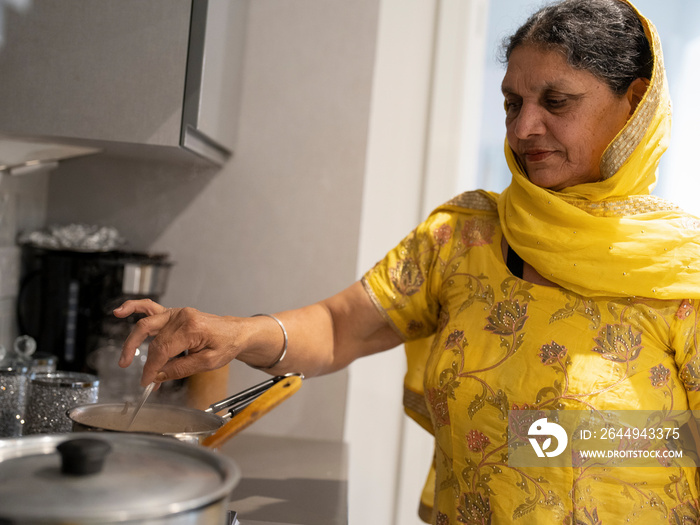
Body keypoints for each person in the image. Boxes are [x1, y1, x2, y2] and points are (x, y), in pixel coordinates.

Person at [115, 0, 700, 522]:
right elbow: (342, 327)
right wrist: (238, 334)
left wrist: (535, 439)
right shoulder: (465, 236)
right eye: (512, 102)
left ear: (633, 103)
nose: (524, 128)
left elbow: (688, 443)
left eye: (556, 101)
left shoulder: (684, 269)